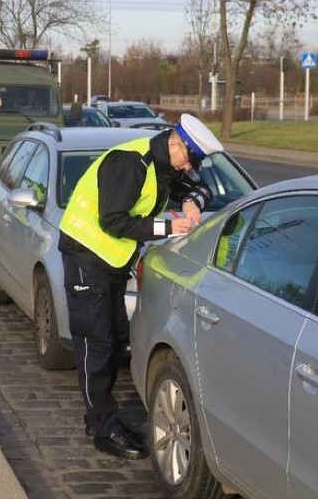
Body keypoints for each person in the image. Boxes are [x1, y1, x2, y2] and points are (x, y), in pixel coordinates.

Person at [58, 113, 222, 460]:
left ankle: (100, 417)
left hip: (113, 264)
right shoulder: (131, 163)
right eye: (187, 159)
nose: (186, 168)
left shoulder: (165, 167)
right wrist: (170, 228)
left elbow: (203, 187)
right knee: (96, 346)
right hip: (87, 258)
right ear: (176, 143)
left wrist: (193, 203)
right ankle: (103, 428)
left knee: (116, 341)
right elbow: (112, 221)